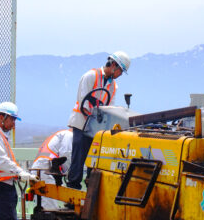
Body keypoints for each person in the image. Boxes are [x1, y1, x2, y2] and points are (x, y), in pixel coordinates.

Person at [67, 51, 130, 190]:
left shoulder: (113, 86)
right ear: (113, 65)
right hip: (81, 123)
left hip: (97, 128)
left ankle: (91, 188)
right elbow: (83, 99)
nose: (119, 75)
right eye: (120, 71)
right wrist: (95, 112)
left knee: (95, 161)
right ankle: (73, 187)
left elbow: (109, 107)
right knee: (78, 158)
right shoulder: (91, 76)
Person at [0, 102, 38, 220]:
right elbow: (1, 161)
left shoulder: (0, 136)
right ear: (1, 117)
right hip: (0, 187)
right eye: (12, 120)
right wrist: (20, 173)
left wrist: (17, 175)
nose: (14, 124)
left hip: (5, 186)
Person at [31, 129, 73, 209]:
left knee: (43, 206)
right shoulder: (69, 135)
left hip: (42, 169)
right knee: (49, 208)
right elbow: (66, 155)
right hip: (46, 170)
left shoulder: (62, 134)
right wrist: (69, 176)